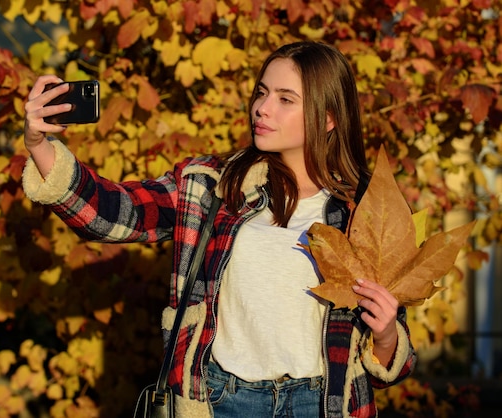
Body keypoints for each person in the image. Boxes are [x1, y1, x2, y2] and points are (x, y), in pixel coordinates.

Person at [22, 41, 416, 418]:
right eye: (261, 92)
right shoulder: (210, 186)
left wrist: (385, 336)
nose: (262, 108)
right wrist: (40, 144)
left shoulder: (361, 208)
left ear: (328, 116)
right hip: (222, 401)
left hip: (323, 404)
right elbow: (110, 214)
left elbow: (392, 365)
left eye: (285, 99)